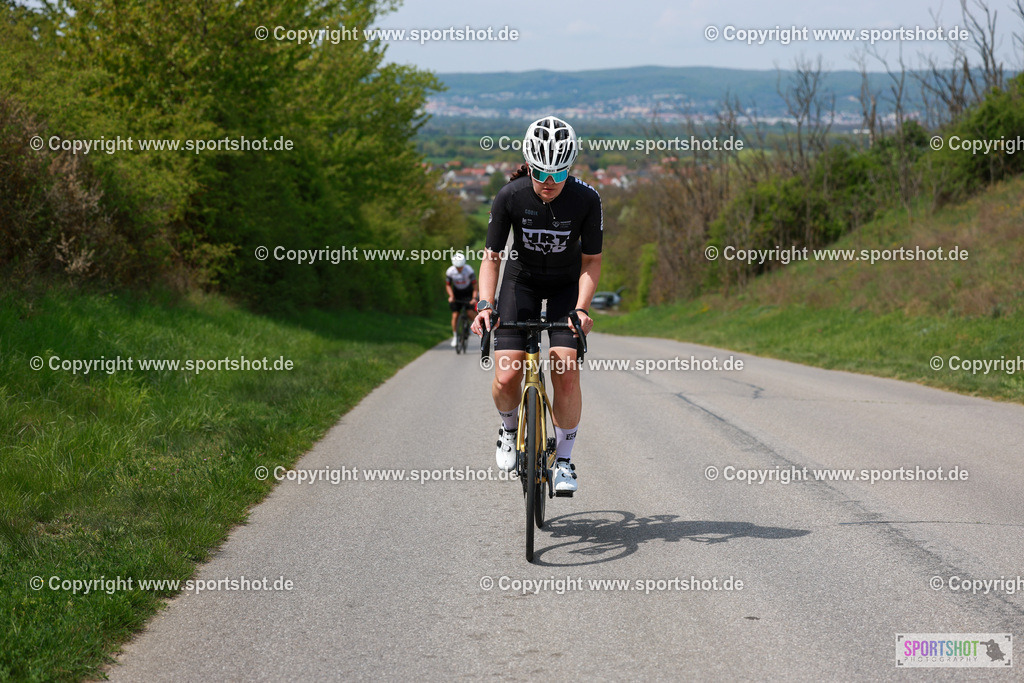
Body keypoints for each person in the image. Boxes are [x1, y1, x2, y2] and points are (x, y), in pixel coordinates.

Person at [471, 116, 601, 494]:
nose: (549, 182)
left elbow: (591, 261)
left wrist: (581, 308)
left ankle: (563, 460)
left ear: (569, 167)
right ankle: (509, 430)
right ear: (530, 163)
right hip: (520, 283)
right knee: (508, 374)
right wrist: (484, 304)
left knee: (565, 369)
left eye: (559, 174)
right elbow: (492, 256)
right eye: (542, 172)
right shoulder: (510, 196)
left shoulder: (586, 199)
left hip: (565, 286)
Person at [445, 253, 478, 347]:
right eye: (457, 267)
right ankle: (455, 336)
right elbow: (448, 285)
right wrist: (451, 296)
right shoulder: (450, 271)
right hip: (457, 293)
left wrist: (474, 298)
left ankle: (472, 325)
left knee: (470, 313)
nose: (459, 269)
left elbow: (475, 286)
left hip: (468, 292)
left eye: (461, 267)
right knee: (455, 315)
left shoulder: (469, 270)